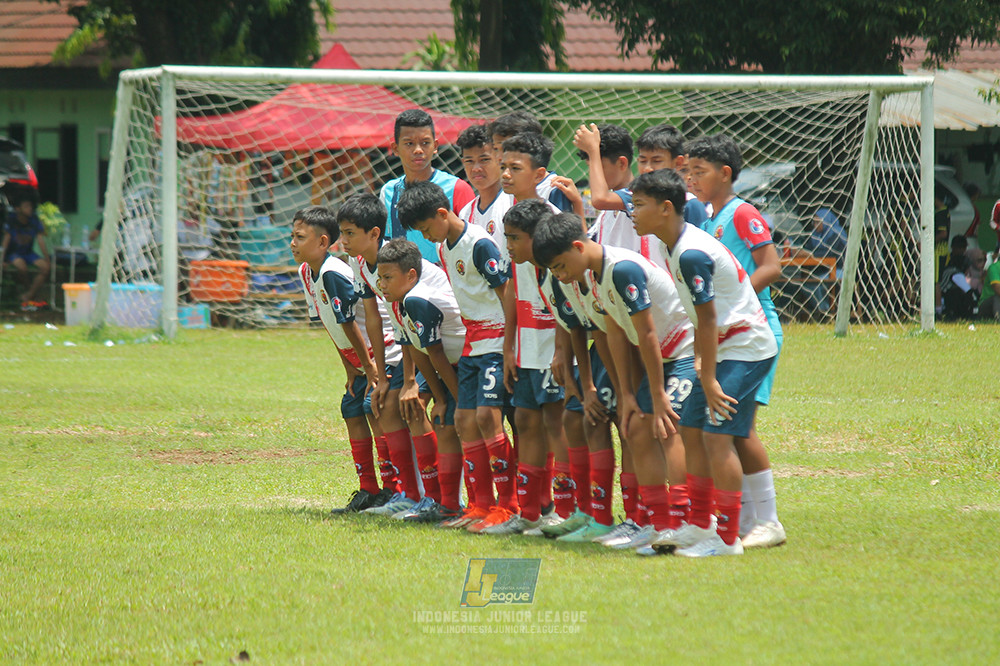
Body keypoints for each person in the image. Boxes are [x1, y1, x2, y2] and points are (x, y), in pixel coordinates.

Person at [532, 210, 696, 548]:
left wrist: (655, 393)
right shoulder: (590, 278)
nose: (560, 276)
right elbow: (613, 334)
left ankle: (683, 521)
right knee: (636, 427)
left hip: (681, 352)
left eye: (561, 266)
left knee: (666, 429)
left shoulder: (622, 269)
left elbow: (648, 334)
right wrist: (625, 395)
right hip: (652, 357)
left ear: (579, 247)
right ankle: (656, 523)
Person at [636, 168, 778, 557]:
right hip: (724, 347)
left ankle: (728, 539)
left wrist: (709, 376)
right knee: (695, 431)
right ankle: (701, 526)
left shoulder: (691, 252)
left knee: (717, 436)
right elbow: (701, 318)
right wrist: (702, 363)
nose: (632, 212)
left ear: (666, 208)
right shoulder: (672, 245)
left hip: (746, 348)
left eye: (639, 204)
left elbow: (712, 317)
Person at [397, 180, 517, 533]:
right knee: (463, 420)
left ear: (441, 213)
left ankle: (508, 505)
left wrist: (509, 347)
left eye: (427, 228)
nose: (428, 236)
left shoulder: (478, 243)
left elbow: (505, 294)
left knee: (486, 417)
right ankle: (480, 504)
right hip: (472, 343)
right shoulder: (446, 248)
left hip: (495, 341)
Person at [686, 134, 786, 549]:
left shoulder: (742, 213)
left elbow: (772, 264)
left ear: (725, 174)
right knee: (728, 428)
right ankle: (743, 517)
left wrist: (741, 294)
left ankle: (768, 520)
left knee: (739, 431)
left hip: (754, 331)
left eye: (699, 171)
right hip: (726, 334)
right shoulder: (708, 218)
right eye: (687, 170)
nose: (690, 178)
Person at [335, 193, 432, 518]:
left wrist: (405, 379)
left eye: (350, 233)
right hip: (402, 345)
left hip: (429, 341)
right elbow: (374, 317)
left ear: (374, 233)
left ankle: (431, 496)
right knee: (382, 406)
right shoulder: (358, 262)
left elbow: (405, 319)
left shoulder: (394, 261)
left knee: (410, 408)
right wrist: (374, 370)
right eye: (342, 232)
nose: (343, 240)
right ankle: (408, 493)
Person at [290, 206, 385, 513]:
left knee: (375, 412)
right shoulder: (307, 271)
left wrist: (369, 368)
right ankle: (368, 489)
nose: (292, 243)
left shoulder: (333, 273)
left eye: (300, 237)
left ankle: (394, 489)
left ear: (322, 242)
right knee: (351, 411)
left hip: (376, 353)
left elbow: (349, 323)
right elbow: (329, 324)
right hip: (356, 360)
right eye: (292, 236)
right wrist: (350, 370)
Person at [491, 200, 576, 535]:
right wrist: (509, 347)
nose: (509, 246)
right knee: (524, 420)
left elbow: (567, 310)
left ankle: (565, 512)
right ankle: (529, 513)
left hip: (552, 353)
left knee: (556, 424)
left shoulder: (556, 265)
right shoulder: (520, 264)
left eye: (514, 239)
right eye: (507, 238)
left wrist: (560, 352)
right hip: (527, 351)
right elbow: (513, 296)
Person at [375, 237, 470, 524]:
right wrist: (437, 397)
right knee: (443, 423)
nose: (382, 285)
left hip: (468, 361)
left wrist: (449, 400)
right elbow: (418, 350)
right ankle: (447, 504)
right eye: (379, 279)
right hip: (449, 364)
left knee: (465, 425)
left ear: (411, 275)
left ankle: (480, 505)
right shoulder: (401, 301)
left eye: (388, 278)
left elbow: (436, 352)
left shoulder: (418, 299)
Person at [380, 109, 475, 263]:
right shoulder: (389, 191)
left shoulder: (458, 188)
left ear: (435, 145)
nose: (418, 150)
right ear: (396, 148)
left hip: (449, 283)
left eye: (425, 143)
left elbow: (471, 242)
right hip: (405, 283)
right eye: (409, 144)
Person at [488, 112, 581, 216]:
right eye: (496, 149)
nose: (499, 156)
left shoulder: (553, 188)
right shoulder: (508, 189)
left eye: (506, 148)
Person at [635, 123, 709, 228]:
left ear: (678, 163)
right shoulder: (638, 204)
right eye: (643, 161)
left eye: (656, 161)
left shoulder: (689, 205)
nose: (648, 168)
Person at [456, 124, 512, 252]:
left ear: (499, 159)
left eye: (484, 159)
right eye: (469, 161)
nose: (476, 168)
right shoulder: (465, 213)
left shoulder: (512, 201)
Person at [2, 196, 50, 310]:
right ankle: (30, 292)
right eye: (26, 207)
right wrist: (2, 259)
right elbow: (6, 241)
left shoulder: (34, 220)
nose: (30, 209)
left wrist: (47, 258)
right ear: (18, 209)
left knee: (46, 267)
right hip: (14, 253)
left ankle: (29, 295)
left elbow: (40, 240)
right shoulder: (11, 220)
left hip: (28, 252)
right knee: (22, 267)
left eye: (31, 206)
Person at [940, 235, 976, 320]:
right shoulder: (950, 265)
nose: (962, 250)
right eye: (960, 248)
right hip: (946, 295)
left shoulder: (964, 260)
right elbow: (967, 289)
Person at [978, 244, 1000, 320]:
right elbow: (997, 288)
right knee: (997, 297)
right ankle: (998, 319)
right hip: (987, 305)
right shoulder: (994, 268)